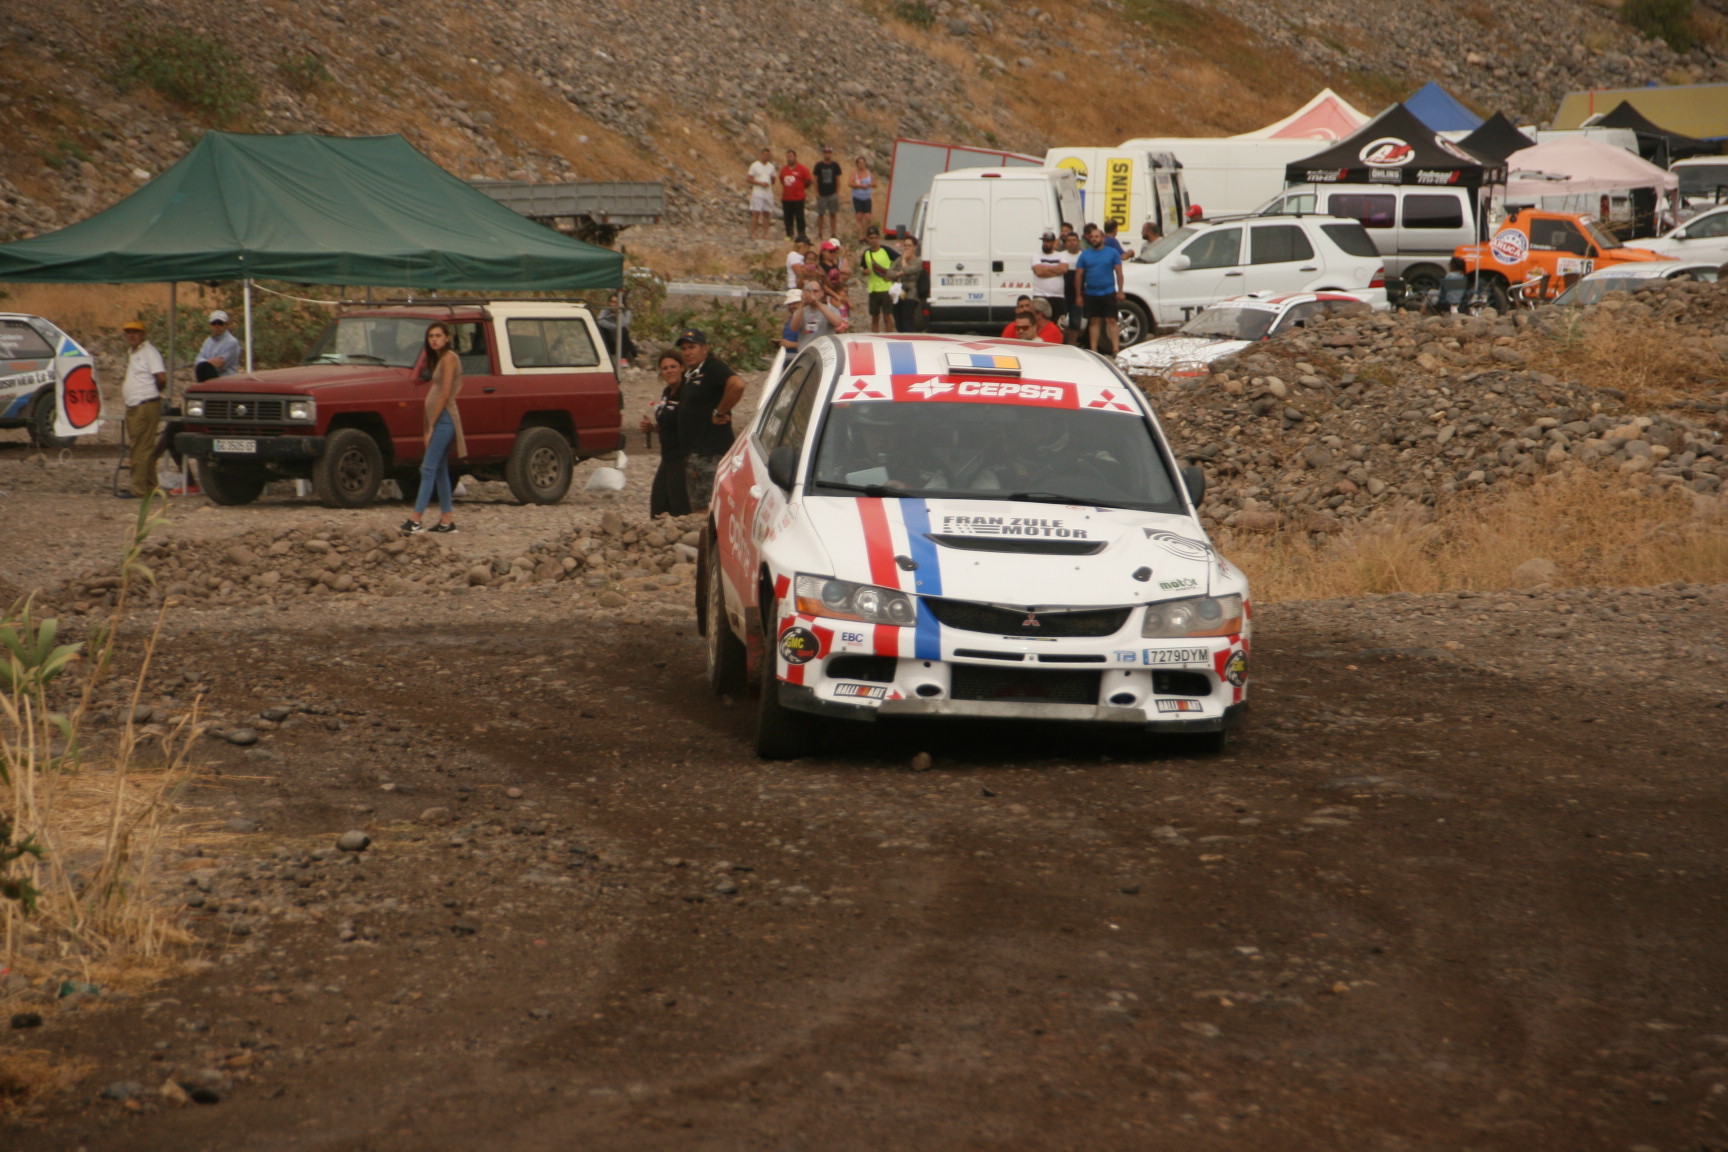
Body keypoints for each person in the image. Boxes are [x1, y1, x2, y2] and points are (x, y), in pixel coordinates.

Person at [402, 322, 464, 535]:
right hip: (439, 419)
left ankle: (416, 519)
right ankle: (447, 521)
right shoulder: (440, 359)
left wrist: (431, 426)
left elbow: (445, 394)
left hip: (444, 420)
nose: (434, 339)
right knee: (440, 470)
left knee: (427, 468)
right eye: (431, 336)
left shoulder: (449, 358)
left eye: (438, 335)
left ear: (447, 337)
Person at [674, 329, 744, 512]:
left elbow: (737, 385)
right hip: (695, 453)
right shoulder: (692, 374)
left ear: (704, 348)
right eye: (684, 348)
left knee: (709, 509)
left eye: (692, 347)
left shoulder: (712, 368)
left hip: (709, 453)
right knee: (699, 507)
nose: (687, 352)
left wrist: (719, 411)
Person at [119, 319, 166, 499]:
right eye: (128, 332)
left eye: (135, 332)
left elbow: (161, 378)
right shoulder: (133, 352)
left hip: (145, 405)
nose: (131, 335)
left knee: (140, 449)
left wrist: (150, 393)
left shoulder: (149, 352)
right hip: (135, 405)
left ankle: (138, 489)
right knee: (142, 447)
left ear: (143, 334)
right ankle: (151, 487)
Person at [643, 349, 691, 517]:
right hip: (668, 457)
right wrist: (652, 427)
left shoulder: (688, 393)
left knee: (680, 508)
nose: (669, 371)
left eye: (673, 366)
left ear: (682, 368)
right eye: (665, 368)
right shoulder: (667, 393)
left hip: (683, 458)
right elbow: (669, 423)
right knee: (658, 507)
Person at [1074, 223, 1125, 356]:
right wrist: (1078, 295)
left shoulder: (1112, 253)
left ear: (1102, 238)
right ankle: (1094, 350)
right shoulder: (1085, 255)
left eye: (1096, 236)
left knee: (1111, 320)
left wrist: (1120, 291)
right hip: (1091, 293)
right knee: (1094, 321)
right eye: (1092, 237)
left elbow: (1119, 272)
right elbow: (1078, 276)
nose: (1094, 239)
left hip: (1108, 292)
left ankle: (1115, 349)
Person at [858, 228, 896, 334]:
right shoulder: (866, 253)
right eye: (871, 238)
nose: (873, 240)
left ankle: (889, 337)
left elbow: (899, 259)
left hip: (886, 288)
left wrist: (892, 272)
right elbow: (863, 268)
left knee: (887, 316)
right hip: (873, 289)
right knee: (875, 317)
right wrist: (865, 271)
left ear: (879, 238)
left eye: (875, 237)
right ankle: (875, 338)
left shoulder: (886, 250)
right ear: (867, 239)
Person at [793, 282, 847, 348]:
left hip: (824, 350)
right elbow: (794, 328)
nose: (812, 294)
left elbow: (837, 323)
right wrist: (802, 304)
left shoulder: (831, 309)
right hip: (806, 351)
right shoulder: (801, 310)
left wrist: (817, 303)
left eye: (815, 291)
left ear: (822, 293)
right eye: (809, 291)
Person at [194, 309, 241, 382]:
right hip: (210, 380)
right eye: (214, 323)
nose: (217, 326)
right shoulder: (208, 341)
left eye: (220, 323)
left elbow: (219, 365)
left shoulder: (231, 342)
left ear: (226, 325)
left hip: (227, 381)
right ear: (210, 325)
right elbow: (197, 361)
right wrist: (210, 362)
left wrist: (204, 362)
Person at [1031, 230, 1069, 319]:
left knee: (1058, 322)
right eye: (1044, 241)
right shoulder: (1036, 256)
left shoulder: (1061, 255)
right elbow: (1039, 272)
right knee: (1040, 321)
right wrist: (1057, 270)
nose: (1045, 243)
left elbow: (1064, 269)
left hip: (1057, 296)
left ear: (1053, 242)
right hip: (1040, 295)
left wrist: (1046, 268)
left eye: (1048, 241)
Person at [890, 235, 923, 334]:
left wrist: (904, 260)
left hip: (911, 293)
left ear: (915, 247)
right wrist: (898, 274)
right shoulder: (898, 260)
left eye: (909, 245)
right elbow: (889, 272)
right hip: (900, 291)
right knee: (897, 316)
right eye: (905, 245)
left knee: (907, 317)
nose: (907, 248)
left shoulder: (918, 261)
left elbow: (908, 270)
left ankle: (910, 336)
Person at [779, 150, 812, 241]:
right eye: (788, 157)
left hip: (798, 198)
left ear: (795, 157)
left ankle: (801, 234)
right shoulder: (784, 169)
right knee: (788, 217)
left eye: (791, 156)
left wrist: (802, 187)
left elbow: (809, 180)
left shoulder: (802, 168)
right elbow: (782, 180)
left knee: (800, 217)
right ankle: (789, 235)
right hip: (786, 198)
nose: (789, 158)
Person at [813, 145, 843, 241]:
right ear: (823, 154)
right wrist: (816, 192)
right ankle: (820, 233)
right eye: (825, 152)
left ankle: (833, 233)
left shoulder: (835, 165)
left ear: (831, 154)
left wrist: (837, 192)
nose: (827, 154)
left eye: (829, 152)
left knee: (833, 214)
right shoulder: (819, 165)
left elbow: (837, 179)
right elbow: (815, 179)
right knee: (820, 214)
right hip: (822, 194)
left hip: (832, 193)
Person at [596, 294, 636, 367]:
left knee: (623, 330)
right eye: (612, 302)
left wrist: (619, 314)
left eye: (616, 303)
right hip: (610, 338)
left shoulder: (627, 312)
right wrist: (614, 327)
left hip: (622, 341)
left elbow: (624, 324)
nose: (614, 305)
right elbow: (599, 321)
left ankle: (623, 358)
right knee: (601, 328)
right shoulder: (605, 311)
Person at [1060, 231, 1086, 344]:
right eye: (1069, 240)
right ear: (1065, 243)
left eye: (1074, 240)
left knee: (1075, 321)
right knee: (1061, 320)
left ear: (1078, 241)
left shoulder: (1083, 256)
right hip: (1063, 292)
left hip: (1078, 293)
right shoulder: (1061, 255)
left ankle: (1071, 345)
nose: (1071, 243)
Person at [747, 147, 777, 241]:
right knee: (756, 213)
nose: (766, 157)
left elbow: (773, 179)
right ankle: (753, 233)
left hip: (768, 192)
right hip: (758, 192)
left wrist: (768, 183)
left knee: (767, 213)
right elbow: (749, 179)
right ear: (761, 155)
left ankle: (766, 234)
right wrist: (759, 183)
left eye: (768, 155)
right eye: (764, 155)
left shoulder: (771, 167)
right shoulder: (755, 165)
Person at [849, 156, 876, 242]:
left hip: (867, 197)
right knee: (859, 216)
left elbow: (875, 183)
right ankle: (860, 237)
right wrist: (860, 186)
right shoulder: (854, 173)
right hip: (857, 197)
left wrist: (870, 184)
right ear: (857, 164)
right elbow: (850, 183)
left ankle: (867, 236)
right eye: (860, 163)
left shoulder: (869, 173)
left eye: (863, 162)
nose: (861, 164)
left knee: (868, 218)